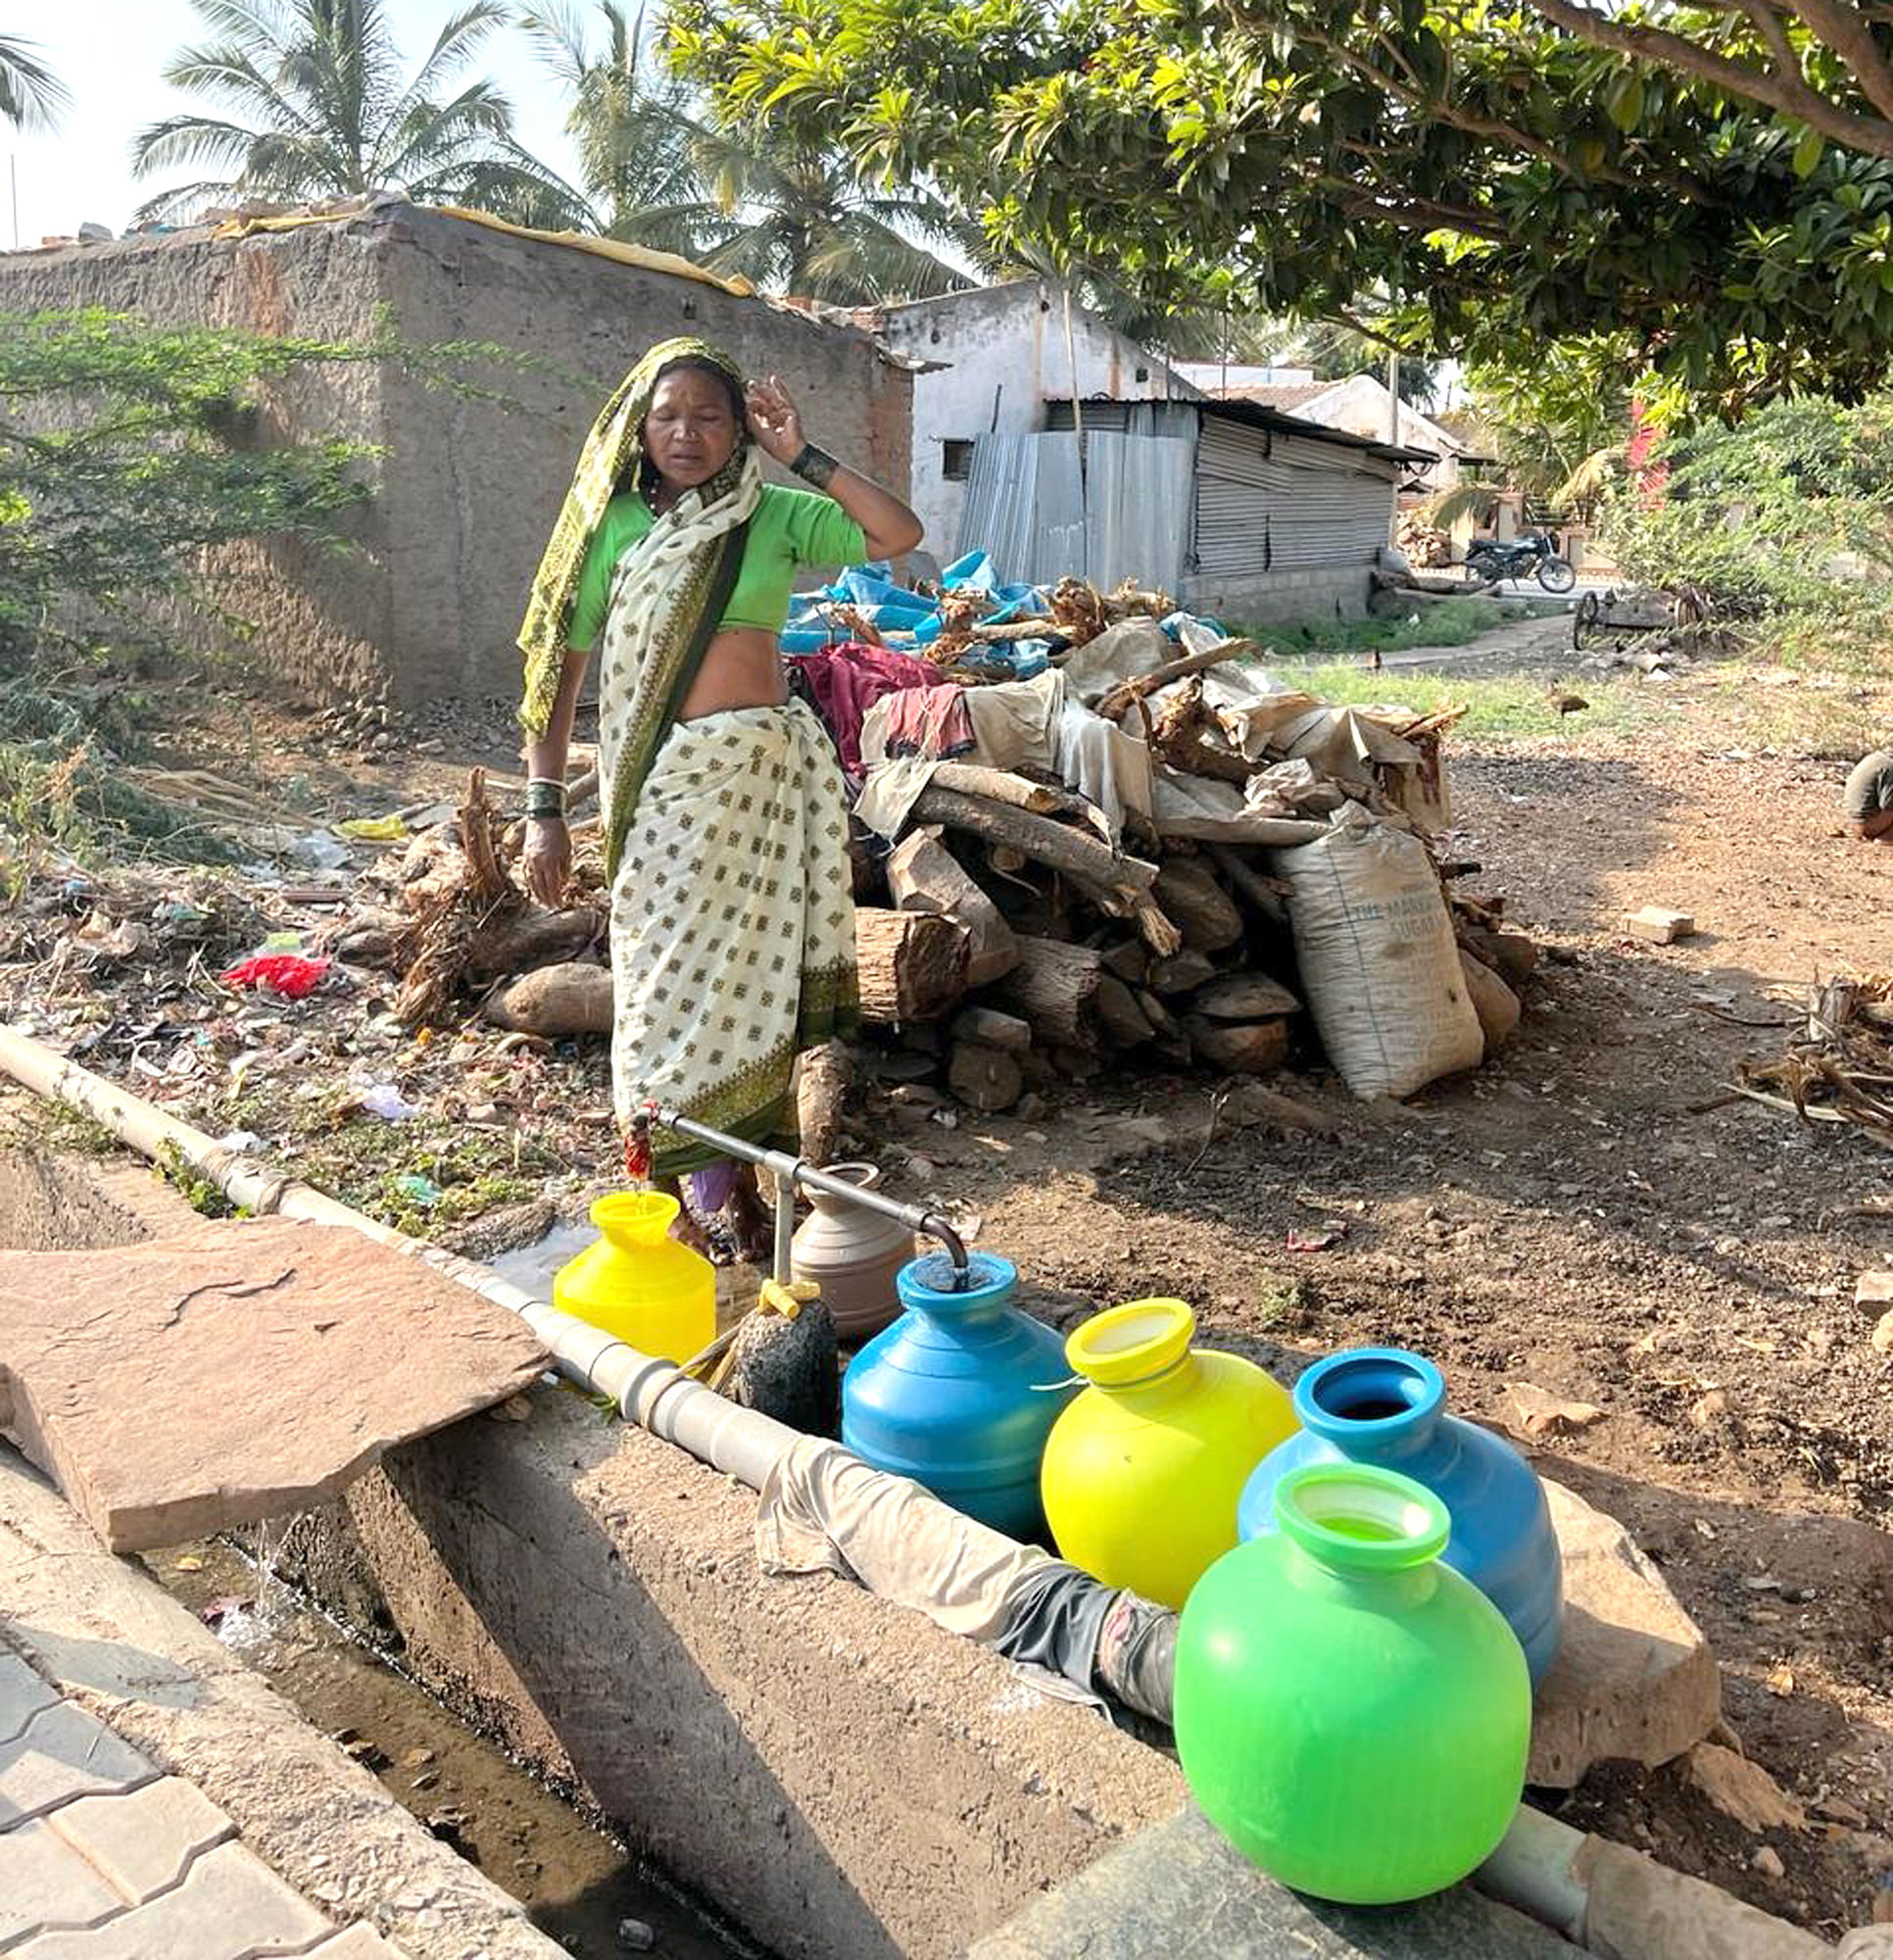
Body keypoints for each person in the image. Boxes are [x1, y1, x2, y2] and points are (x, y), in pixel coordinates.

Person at [516, 338, 922, 1259]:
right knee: (661, 993)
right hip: (663, 790)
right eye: (668, 417)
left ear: (740, 427)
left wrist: (805, 458)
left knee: (759, 992)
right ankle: (661, 1189)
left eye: (709, 416)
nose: (687, 434)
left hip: (765, 789)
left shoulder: (772, 513)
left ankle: (737, 1186)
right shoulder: (613, 529)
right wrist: (544, 809)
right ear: (637, 427)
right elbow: (557, 678)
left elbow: (898, 536)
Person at [1841, 746, 1893, 841]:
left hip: (1854, 822)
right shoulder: (1890, 766)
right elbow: (1888, 805)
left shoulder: (1876, 758)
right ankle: (1885, 838)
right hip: (1869, 824)